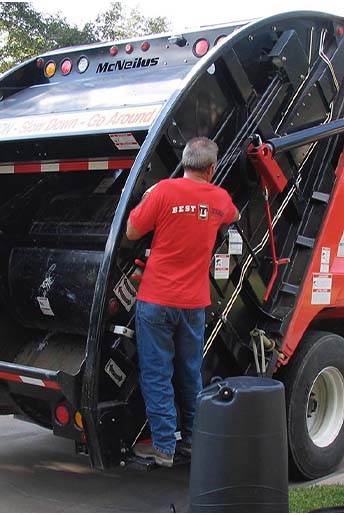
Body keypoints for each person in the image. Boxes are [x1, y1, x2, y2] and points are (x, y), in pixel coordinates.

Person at [126, 137, 240, 467]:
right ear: (212, 168)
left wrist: (145, 200)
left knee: (157, 373)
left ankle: (163, 446)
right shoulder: (219, 198)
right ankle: (193, 439)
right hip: (193, 304)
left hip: (157, 300)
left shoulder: (163, 191)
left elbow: (132, 231)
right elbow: (231, 216)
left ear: (185, 162)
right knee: (190, 372)